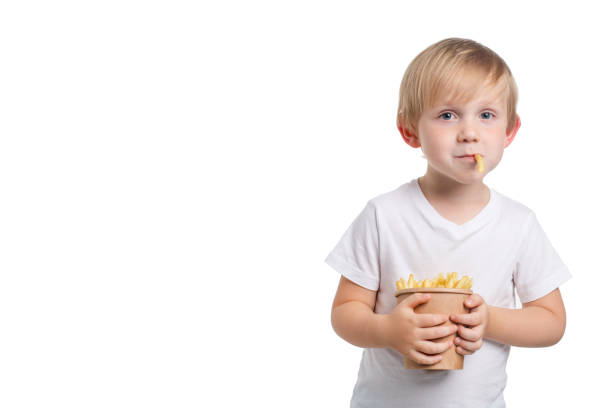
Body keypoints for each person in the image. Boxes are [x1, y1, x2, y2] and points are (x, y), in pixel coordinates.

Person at [325, 38, 571, 408]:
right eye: (447, 115)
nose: (469, 132)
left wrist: (490, 321)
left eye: (486, 115)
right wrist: (388, 330)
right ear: (410, 131)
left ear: (510, 131)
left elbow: (552, 322)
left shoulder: (518, 225)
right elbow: (345, 313)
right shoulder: (384, 215)